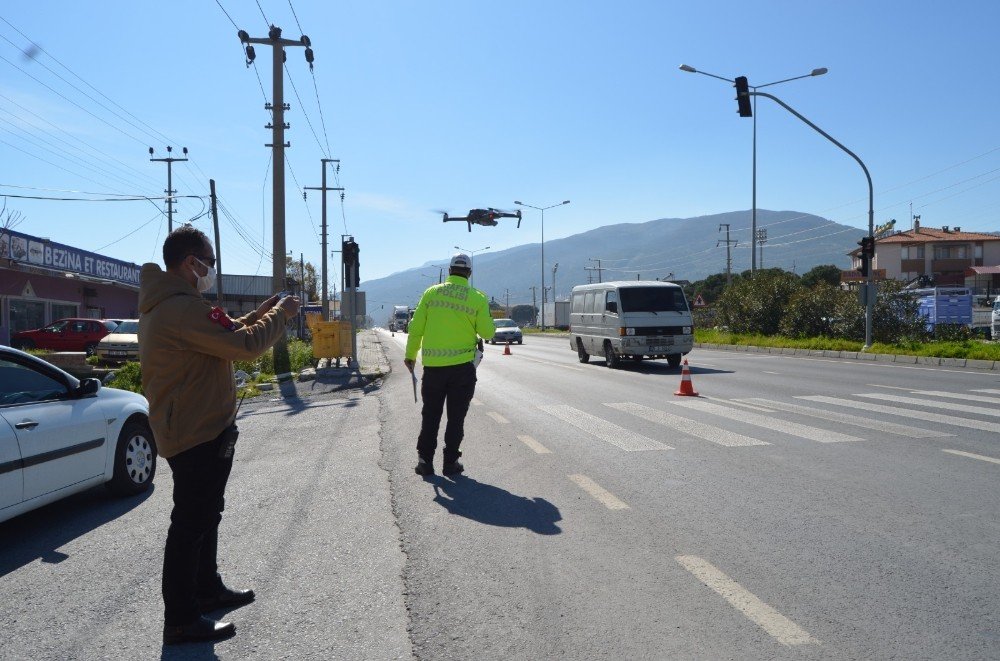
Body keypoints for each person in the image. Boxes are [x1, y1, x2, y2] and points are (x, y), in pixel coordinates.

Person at [138, 224, 300, 645]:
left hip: (198, 426)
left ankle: (206, 589)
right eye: (208, 261)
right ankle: (181, 619)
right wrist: (280, 318)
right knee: (190, 523)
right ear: (191, 262)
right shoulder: (181, 308)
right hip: (195, 431)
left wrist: (261, 312)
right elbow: (244, 346)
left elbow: (225, 335)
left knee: (206, 514)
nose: (211, 268)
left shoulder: (177, 305)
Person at [404, 253, 495, 476]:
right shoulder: (477, 298)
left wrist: (410, 355)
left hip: (434, 369)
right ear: (469, 273)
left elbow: (416, 328)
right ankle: (450, 463)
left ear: (449, 271)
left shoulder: (431, 293)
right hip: (462, 370)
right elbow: (487, 332)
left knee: (431, 415)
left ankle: (425, 462)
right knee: (456, 418)